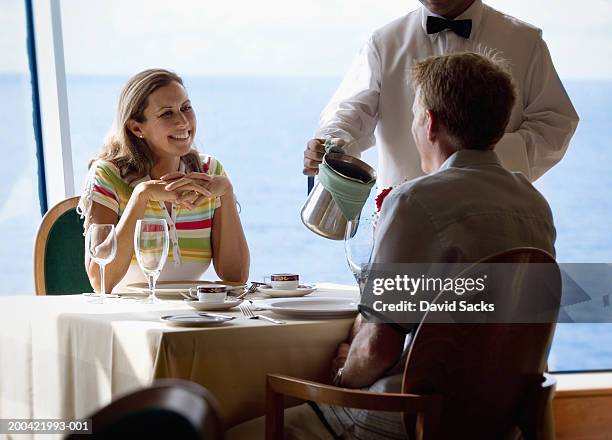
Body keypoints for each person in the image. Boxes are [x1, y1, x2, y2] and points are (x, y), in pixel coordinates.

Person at [229, 51, 555, 439]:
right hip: (496, 423)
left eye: (416, 114)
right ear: (498, 128)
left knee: (234, 433)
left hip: (409, 418)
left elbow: (377, 349)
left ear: (429, 123)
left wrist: (341, 378)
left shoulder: (416, 201)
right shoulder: (534, 205)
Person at [303, 0, 579, 189]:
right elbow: (349, 113)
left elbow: (555, 123)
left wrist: (482, 160)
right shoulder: (384, 41)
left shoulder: (525, 41)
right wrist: (332, 144)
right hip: (404, 224)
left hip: (494, 219)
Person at [78, 69, 249, 293]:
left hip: (195, 315)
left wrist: (226, 193)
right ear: (137, 128)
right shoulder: (108, 174)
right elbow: (101, 280)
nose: (182, 121)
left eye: (186, 108)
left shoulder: (210, 171)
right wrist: (141, 196)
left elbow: (236, 277)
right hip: (130, 317)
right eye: (167, 114)